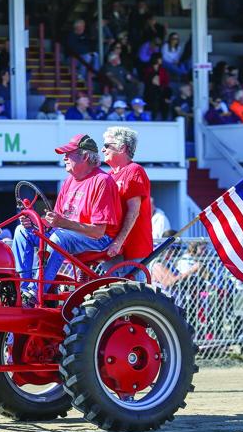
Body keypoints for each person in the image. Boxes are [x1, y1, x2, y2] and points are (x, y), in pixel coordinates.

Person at [12, 134, 121, 305]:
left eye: (68, 154)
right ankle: (22, 289)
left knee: (59, 237)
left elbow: (99, 231)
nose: (64, 158)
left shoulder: (102, 181)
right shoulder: (69, 181)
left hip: (99, 241)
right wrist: (35, 223)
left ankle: (35, 292)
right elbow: (55, 220)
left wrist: (62, 224)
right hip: (67, 233)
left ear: (85, 156)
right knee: (22, 231)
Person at [101, 127, 152, 281]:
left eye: (107, 145)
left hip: (133, 247)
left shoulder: (134, 170)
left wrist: (118, 242)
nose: (102, 149)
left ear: (121, 147)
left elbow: (133, 210)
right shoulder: (108, 176)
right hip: (112, 248)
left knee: (135, 297)